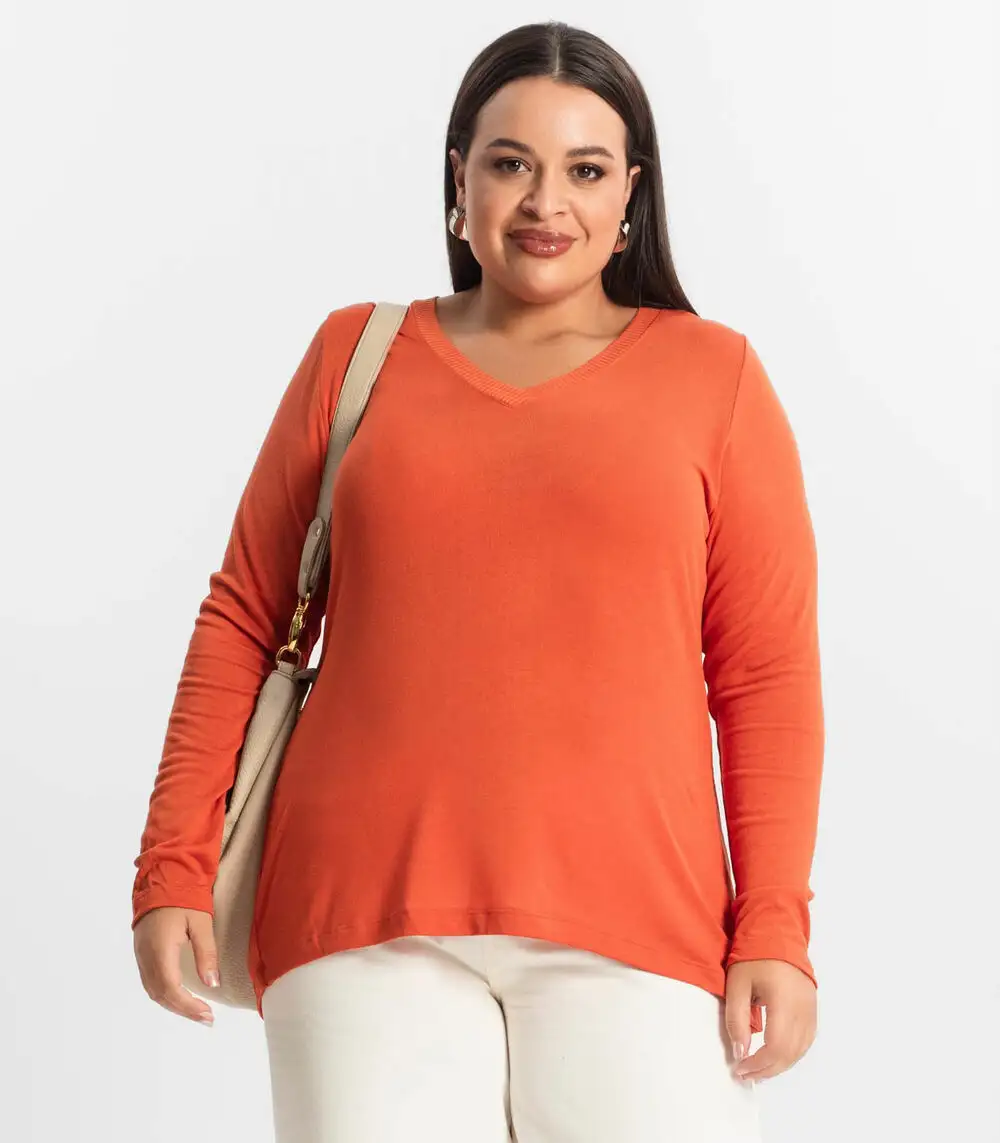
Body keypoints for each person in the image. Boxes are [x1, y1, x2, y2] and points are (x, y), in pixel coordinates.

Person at [131, 19, 824, 1143]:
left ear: (632, 193)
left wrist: (776, 929)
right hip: (358, 916)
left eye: (585, 170)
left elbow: (765, 676)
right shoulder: (357, 354)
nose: (546, 202)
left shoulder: (716, 377)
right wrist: (171, 868)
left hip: (641, 926)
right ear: (460, 180)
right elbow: (243, 618)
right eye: (511, 163)